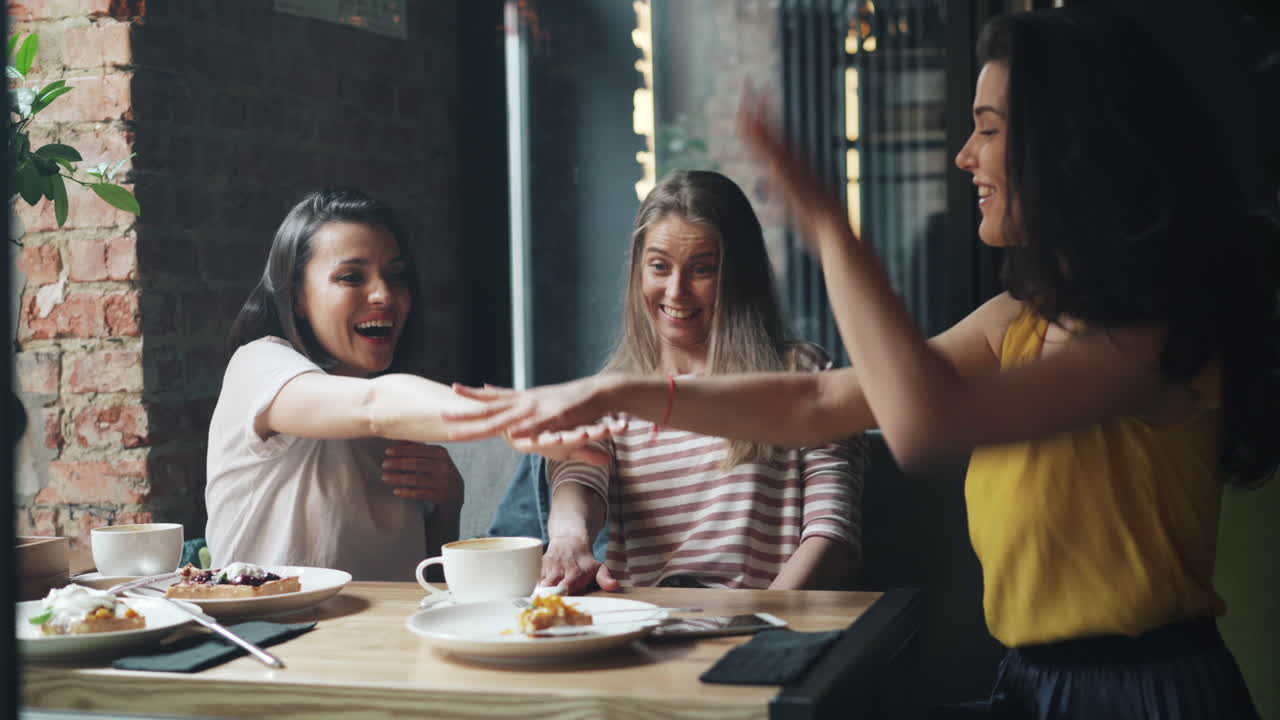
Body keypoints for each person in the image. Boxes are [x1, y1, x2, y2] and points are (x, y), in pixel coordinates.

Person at [447, 7, 1277, 717]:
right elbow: (817, 403)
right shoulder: (1013, 321)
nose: (964, 156)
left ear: (1070, 148)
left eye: (987, 130)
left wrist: (827, 223)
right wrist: (616, 390)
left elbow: (924, 427)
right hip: (1030, 683)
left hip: (1143, 695)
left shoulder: (1150, 338)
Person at [533, 170, 866, 593]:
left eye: (702, 270)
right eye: (659, 266)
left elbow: (831, 535)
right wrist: (568, 540)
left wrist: (761, 624)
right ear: (638, 269)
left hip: (767, 624)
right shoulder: (614, 392)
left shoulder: (803, 374)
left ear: (739, 274)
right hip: (644, 628)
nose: (676, 291)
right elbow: (578, 480)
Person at [205, 188, 478, 581]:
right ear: (298, 296)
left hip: (377, 639)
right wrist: (524, 418)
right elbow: (371, 407)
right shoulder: (260, 366)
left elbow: (426, 589)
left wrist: (448, 504)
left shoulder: (399, 414)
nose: (384, 294)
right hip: (268, 634)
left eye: (396, 276)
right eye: (351, 277)